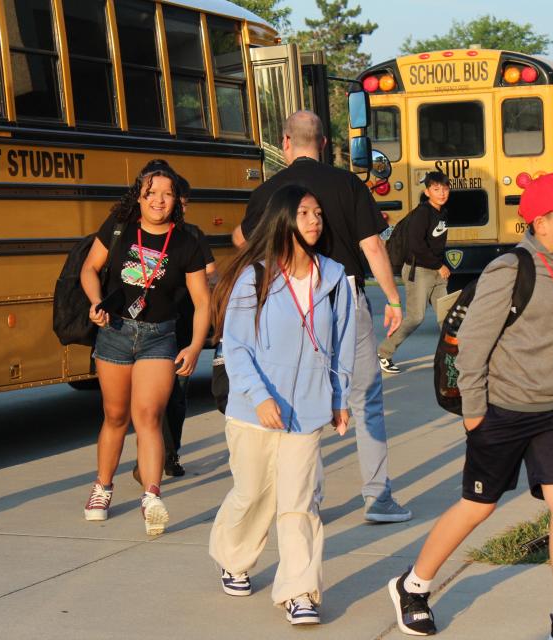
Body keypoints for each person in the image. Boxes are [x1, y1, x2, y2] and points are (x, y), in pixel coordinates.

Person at [387, 173, 553, 640]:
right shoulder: (512, 269)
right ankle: (413, 586)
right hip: (503, 411)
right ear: (542, 222)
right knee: (478, 505)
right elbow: (471, 346)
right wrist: (475, 413)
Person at [233, 110, 411, 523]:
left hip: (290, 301)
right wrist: (392, 298)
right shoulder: (348, 183)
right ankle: (377, 499)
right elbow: (372, 246)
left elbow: (244, 239)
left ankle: (307, 500)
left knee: (300, 399)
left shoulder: (270, 191)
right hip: (344, 296)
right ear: (325, 144)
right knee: (366, 399)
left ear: (286, 144)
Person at [210, 184, 355, 625]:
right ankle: (232, 557)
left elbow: (341, 342)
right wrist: (259, 396)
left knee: (299, 503)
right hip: (254, 410)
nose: (315, 221)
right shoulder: (253, 278)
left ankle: (300, 591)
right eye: (305, 213)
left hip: (308, 410)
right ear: (284, 219)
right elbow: (235, 347)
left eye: (318, 214)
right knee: (253, 493)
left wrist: (339, 397)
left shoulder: (333, 277)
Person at [80, 163, 211, 536]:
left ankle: (152, 497)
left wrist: (195, 345)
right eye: (151, 193)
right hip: (116, 332)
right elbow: (90, 268)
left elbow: (203, 301)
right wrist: (95, 303)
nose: (158, 200)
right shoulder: (119, 230)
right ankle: (103, 487)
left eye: (166, 194)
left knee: (149, 415)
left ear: (176, 200)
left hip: (158, 337)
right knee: (116, 416)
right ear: (138, 196)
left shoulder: (186, 242)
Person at [132, 170, 217, 482]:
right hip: (152, 327)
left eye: (181, 200)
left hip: (183, 325)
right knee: (148, 402)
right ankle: (148, 458)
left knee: (177, 396)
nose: (177, 205)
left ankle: (170, 453)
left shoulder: (192, 236)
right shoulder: (140, 233)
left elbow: (210, 271)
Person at [377, 171, 451, 374]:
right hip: (418, 271)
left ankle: (453, 358)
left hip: (436, 271)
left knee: (447, 317)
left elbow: (436, 244)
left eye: (445, 189)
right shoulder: (422, 213)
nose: (442, 193)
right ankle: (384, 352)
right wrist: (439, 266)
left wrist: (441, 266)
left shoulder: (442, 213)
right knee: (415, 317)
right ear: (427, 192)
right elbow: (417, 245)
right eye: (436, 189)